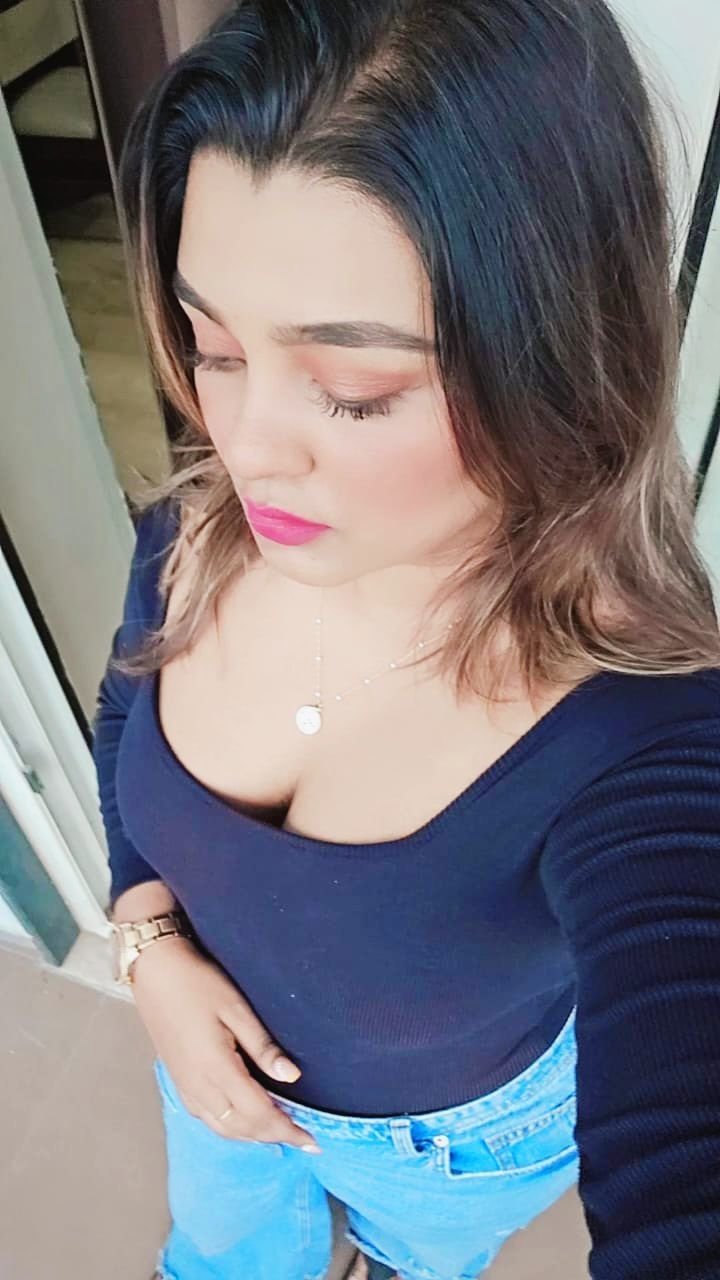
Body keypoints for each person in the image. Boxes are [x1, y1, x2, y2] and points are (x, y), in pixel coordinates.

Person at [92, 2, 720, 1278]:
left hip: (448, 1153)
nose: (245, 444)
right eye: (214, 345)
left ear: (557, 363)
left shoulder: (646, 736)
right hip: (194, 1043)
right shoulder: (194, 530)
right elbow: (122, 716)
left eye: (354, 389)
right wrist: (147, 934)